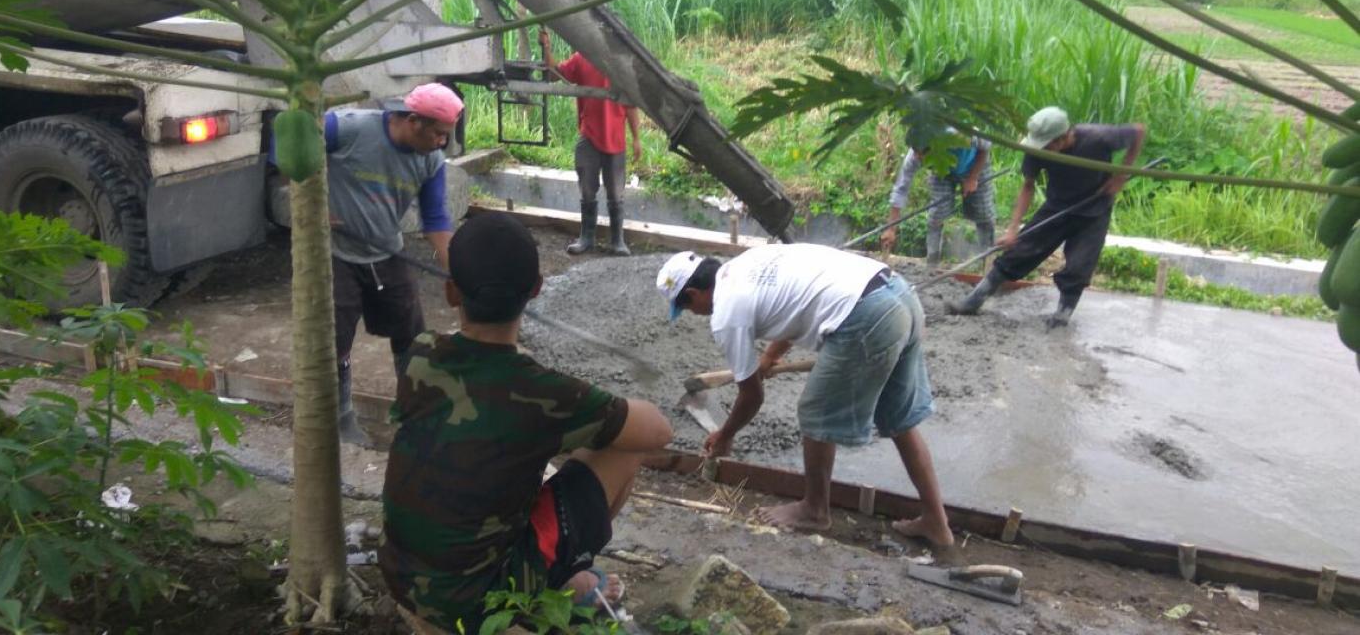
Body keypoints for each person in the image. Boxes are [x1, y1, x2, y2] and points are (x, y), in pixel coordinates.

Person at [381, 213, 673, 634]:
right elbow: (658, 431)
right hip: (476, 603)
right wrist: (592, 407)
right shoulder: (544, 393)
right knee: (620, 448)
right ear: (536, 290)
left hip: (402, 577)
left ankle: (559, 572)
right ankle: (559, 576)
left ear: (450, 292)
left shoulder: (422, 352)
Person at [657, 245, 954, 549]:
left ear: (693, 293)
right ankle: (936, 521)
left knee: (815, 412)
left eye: (688, 307)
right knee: (898, 420)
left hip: (867, 315)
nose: (694, 313)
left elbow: (752, 396)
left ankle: (814, 510)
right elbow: (798, 305)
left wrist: (726, 434)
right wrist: (769, 356)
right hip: (899, 294)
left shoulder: (726, 314)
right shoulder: (750, 263)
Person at [321, 83, 462, 446]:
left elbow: (435, 218)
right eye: (439, 134)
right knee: (333, 339)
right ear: (414, 122)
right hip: (338, 253)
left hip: (387, 252)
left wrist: (457, 273)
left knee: (413, 337)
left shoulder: (431, 159)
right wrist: (308, 198)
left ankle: (414, 416)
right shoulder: (347, 128)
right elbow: (289, 140)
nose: (442, 143)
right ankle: (341, 418)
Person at [948, 107, 1146, 328]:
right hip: (1056, 206)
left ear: (1063, 137)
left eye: (1048, 145)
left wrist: (1122, 173)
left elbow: (1138, 131)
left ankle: (1062, 316)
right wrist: (1013, 228)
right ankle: (974, 300)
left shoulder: (1097, 137)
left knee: (1079, 267)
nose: (1042, 149)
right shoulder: (1038, 150)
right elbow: (1028, 186)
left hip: (1094, 210)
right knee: (1018, 252)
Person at [540, 30, 643, 257]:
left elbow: (631, 106)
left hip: (615, 140)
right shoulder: (581, 59)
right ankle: (587, 237)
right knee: (587, 190)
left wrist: (636, 138)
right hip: (589, 136)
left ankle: (617, 240)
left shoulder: (620, 66)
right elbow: (554, 73)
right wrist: (546, 48)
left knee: (616, 194)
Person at [881, 133, 995, 266]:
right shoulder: (914, 156)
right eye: (918, 155)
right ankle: (932, 264)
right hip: (942, 172)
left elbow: (985, 147)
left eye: (923, 156)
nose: (919, 159)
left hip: (975, 163)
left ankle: (988, 262)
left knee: (983, 213)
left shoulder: (961, 136)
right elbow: (901, 187)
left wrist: (973, 177)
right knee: (937, 214)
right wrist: (891, 228)